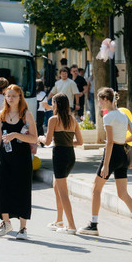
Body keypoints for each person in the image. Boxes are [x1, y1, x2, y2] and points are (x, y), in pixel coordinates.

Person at [78, 88, 132, 240]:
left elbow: (109, 142)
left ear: (106, 99)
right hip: (122, 156)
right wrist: (121, 141)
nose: (99, 104)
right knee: (123, 193)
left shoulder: (108, 117)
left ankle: (93, 224)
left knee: (95, 189)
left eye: (99, 100)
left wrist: (105, 165)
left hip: (111, 156)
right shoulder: (123, 115)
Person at [0, 84, 38, 240]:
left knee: (21, 190)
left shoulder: (26, 115)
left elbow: (33, 138)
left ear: (20, 98)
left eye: (13, 96)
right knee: (1, 188)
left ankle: (23, 228)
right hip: (5, 156)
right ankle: (6, 223)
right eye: (8, 96)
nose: (10, 99)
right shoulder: (2, 114)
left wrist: (16, 135)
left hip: (22, 157)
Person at [38, 93, 83, 234]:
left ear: (57, 104)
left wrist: (39, 137)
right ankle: (59, 220)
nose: (52, 105)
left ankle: (71, 226)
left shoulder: (53, 120)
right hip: (70, 154)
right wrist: (67, 143)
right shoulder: (73, 120)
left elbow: (47, 141)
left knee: (62, 191)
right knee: (57, 186)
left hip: (60, 155)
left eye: (53, 103)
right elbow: (80, 142)